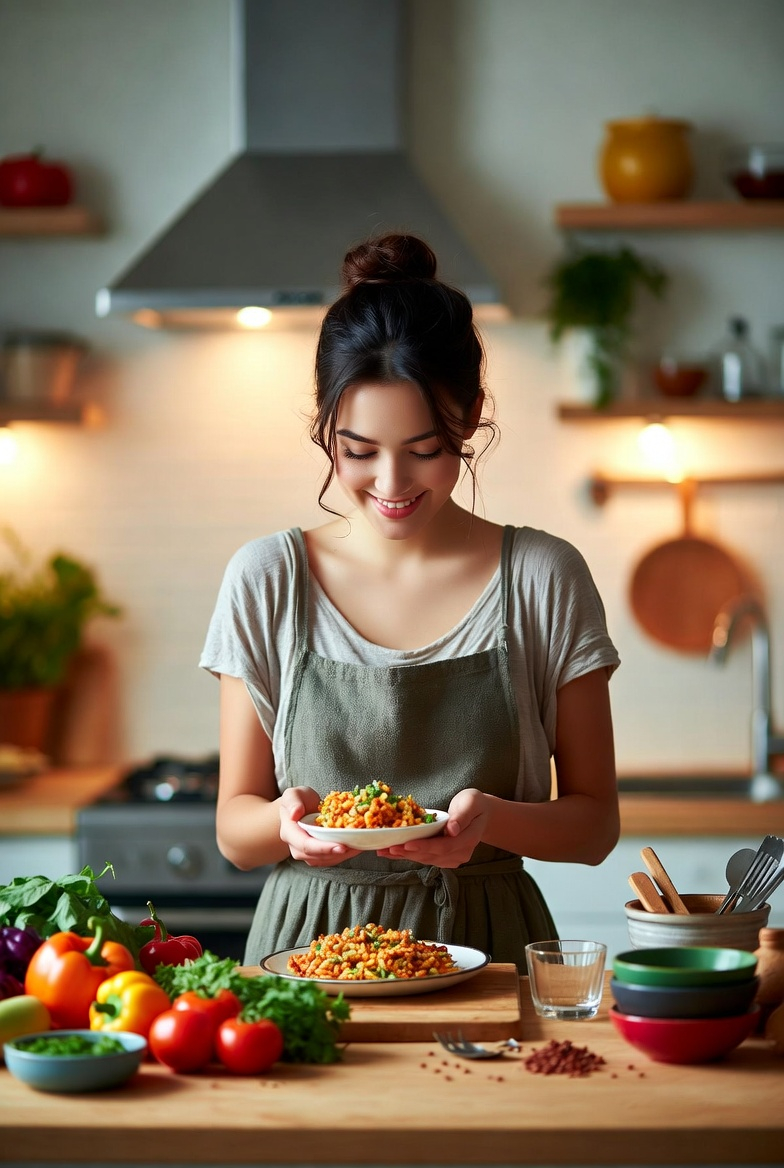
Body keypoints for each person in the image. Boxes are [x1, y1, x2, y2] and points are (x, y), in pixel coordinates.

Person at [199, 232, 620, 971]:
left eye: (424, 450)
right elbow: (236, 831)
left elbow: (594, 828)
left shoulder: (542, 578)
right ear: (325, 424)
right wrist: (285, 825)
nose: (391, 485)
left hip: (490, 948)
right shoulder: (267, 578)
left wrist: (493, 822)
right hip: (305, 953)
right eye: (358, 451)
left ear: (470, 414)